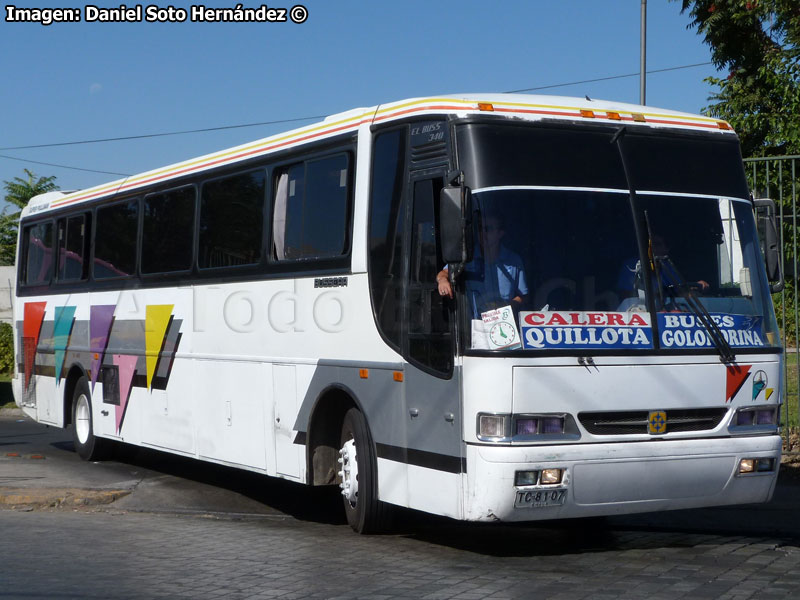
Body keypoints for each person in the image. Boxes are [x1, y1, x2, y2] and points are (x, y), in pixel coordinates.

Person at [436, 214, 528, 319]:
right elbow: (445, 273)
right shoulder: (467, 257)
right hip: (472, 327)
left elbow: (523, 296)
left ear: (500, 233)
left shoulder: (513, 260)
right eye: (480, 228)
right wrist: (443, 280)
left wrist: (507, 307)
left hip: (504, 323)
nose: (482, 233)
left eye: (488, 229)